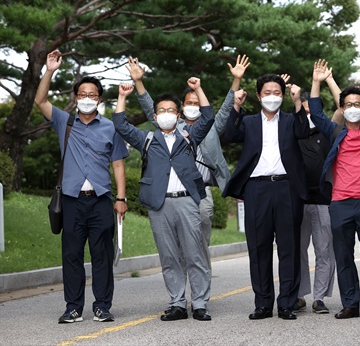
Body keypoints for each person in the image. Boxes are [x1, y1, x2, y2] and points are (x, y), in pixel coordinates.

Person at [126, 55, 248, 282]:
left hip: (201, 193)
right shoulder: (173, 127)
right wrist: (138, 82)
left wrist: (236, 80)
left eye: (196, 103)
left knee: (199, 244)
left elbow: (225, 107)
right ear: (181, 108)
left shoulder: (210, 126)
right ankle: (180, 291)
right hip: (173, 193)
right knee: (176, 245)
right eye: (188, 103)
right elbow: (148, 106)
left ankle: (201, 291)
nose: (193, 106)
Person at [34, 50, 129, 324]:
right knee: (72, 255)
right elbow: (40, 100)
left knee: (102, 256)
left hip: (101, 200)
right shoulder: (65, 121)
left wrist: (121, 199)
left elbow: (119, 165)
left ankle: (102, 306)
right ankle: (73, 307)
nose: (87, 99)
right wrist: (49, 70)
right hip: (72, 200)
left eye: (92, 95)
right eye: (82, 94)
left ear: (99, 99)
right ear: (76, 98)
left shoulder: (110, 127)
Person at [112, 79, 215, 321]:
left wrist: (199, 88)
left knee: (195, 255)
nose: (166, 114)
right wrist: (122, 97)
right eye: (161, 111)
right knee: (168, 257)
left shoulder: (190, 136)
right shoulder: (146, 139)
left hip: (188, 202)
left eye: (171, 110)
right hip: (159, 205)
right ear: (155, 116)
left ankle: (200, 304)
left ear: (178, 115)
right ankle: (177, 303)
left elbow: (208, 116)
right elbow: (120, 123)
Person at [308, 58, 360, 320]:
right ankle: (349, 303)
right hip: (340, 203)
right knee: (343, 256)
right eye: (348, 105)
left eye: (358, 104)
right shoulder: (335, 132)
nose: (353, 108)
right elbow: (315, 111)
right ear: (342, 109)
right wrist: (316, 82)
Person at [222, 74, 310, 320]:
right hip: (256, 189)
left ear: (283, 95)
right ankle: (262, 303)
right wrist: (236, 105)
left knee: (289, 248)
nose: (272, 97)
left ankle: (287, 303)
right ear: (259, 96)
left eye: (277, 92)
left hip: (287, 188)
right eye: (267, 93)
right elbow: (229, 133)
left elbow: (304, 132)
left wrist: (297, 101)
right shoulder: (249, 122)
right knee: (258, 248)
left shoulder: (292, 120)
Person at [294, 91, 336, 315]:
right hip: (297, 200)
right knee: (297, 250)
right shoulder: (291, 131)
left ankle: (319, 297)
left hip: (323, 199)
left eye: (312, 109)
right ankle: (299, 295)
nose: (308, 113)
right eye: (304, 108)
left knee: (324, 251)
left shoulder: (327, 131)